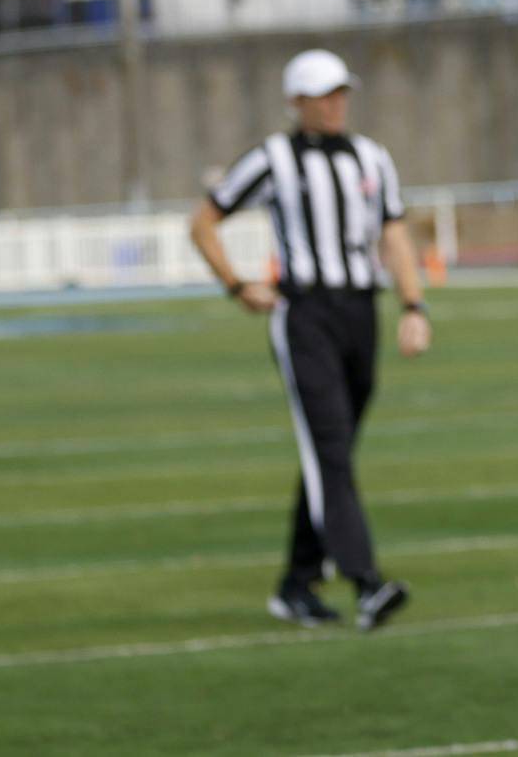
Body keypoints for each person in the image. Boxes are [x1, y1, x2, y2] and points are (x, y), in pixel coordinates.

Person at [188, 49, 430, 630]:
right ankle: (365, 580)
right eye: (323, 95)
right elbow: (203, 222)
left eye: (341, 92)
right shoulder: (272, 158)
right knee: (329, 448)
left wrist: (413, 305)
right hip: (305, 314)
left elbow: (394, 232)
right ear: (296, 102)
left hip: (360, 311)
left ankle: (297, 584)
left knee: (333, 452)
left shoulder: (371, 156)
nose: (335, 104)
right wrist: (236, 285)